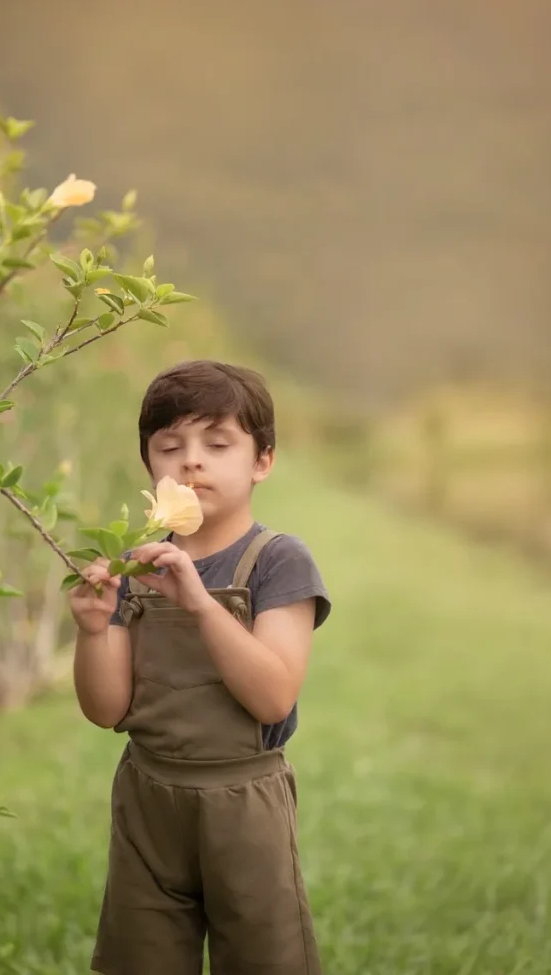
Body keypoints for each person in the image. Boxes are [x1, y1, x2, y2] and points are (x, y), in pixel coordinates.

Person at [69, 359, 331, 975]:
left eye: (217, 444)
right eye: (170, 446)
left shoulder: (278, 562)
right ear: (149, 465)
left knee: (263, 957)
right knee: (143, 957)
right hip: (147, 798)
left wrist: (198, 604)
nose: (191, 460)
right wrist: (89, 630)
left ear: (261, 461)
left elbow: (273, 697)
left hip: (242, 802)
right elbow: (107, 710)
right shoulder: (134, 566)